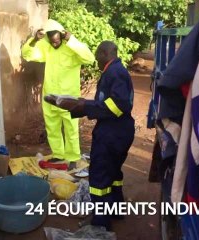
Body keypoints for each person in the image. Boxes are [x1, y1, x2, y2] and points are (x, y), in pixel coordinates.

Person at [45, 41, 135, 230]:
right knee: (113, 173)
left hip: (112, 133)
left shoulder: (114, 72)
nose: (96, 60)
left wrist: (85, 106)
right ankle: (115, 210)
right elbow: (103, 103)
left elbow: (118, 106)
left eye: (97, 56)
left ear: (104, 53)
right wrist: (76, 104)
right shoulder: (115, 71)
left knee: (99, 177)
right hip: (118, 131)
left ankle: (100, 223)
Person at [22, 19, 95, 169]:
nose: (54, 43)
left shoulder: (72, 48)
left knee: (71, 129)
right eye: (51, 41)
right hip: (50, 96)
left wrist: (72, 40)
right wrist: (35, 39)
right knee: (52, 128)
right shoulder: (46, 46)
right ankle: (58, 154)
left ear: (62, 36)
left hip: (69, 99)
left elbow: (89, 58)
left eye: (57, 40)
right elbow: (27, 54)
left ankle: (73, 157)